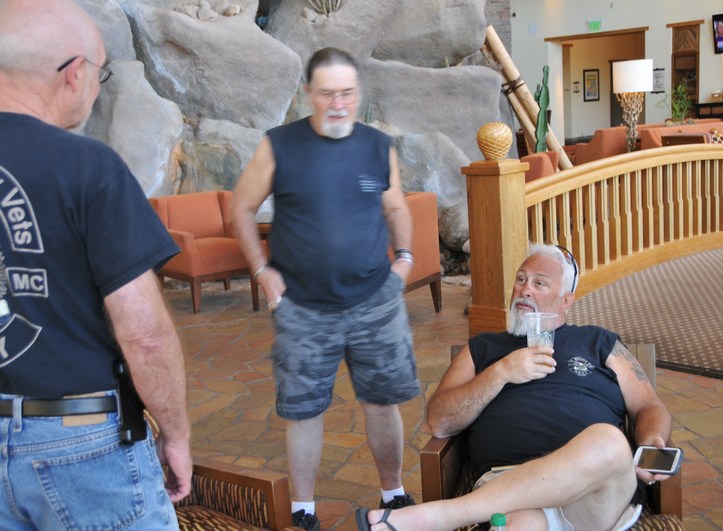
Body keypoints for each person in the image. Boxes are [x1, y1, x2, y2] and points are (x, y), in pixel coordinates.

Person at [0, 0, 192, 528]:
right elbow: (144, 334)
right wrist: (175, 434)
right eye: (101, 74)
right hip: (79, 442)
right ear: (75, 73)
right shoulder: (87, 167)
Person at [231, 47, 421, 531]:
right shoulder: (279, 145)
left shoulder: (378, 146)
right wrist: (261, 270)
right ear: (308, 94)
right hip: (303, 307)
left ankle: (394, 493)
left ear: (359, 93)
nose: (338, 104)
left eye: (347, 93)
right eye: (327, 93)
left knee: (382, 402)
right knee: (304, 411)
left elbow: (395, 207)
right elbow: (241, 208)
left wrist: (404, 259)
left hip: (375, 301)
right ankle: (303, 510)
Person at [357, 243, 673, 530]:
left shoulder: (598, 342)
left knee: (609, 443)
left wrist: (650, 441)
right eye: (521, 280)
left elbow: (648, 406)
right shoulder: (483, 349)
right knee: (516, 527)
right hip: (507, 492)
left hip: (592, 495)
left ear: (566, 301)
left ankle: (440, 516)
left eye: (539, 283)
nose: (525, 290)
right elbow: (440, 421)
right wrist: (501, 372)